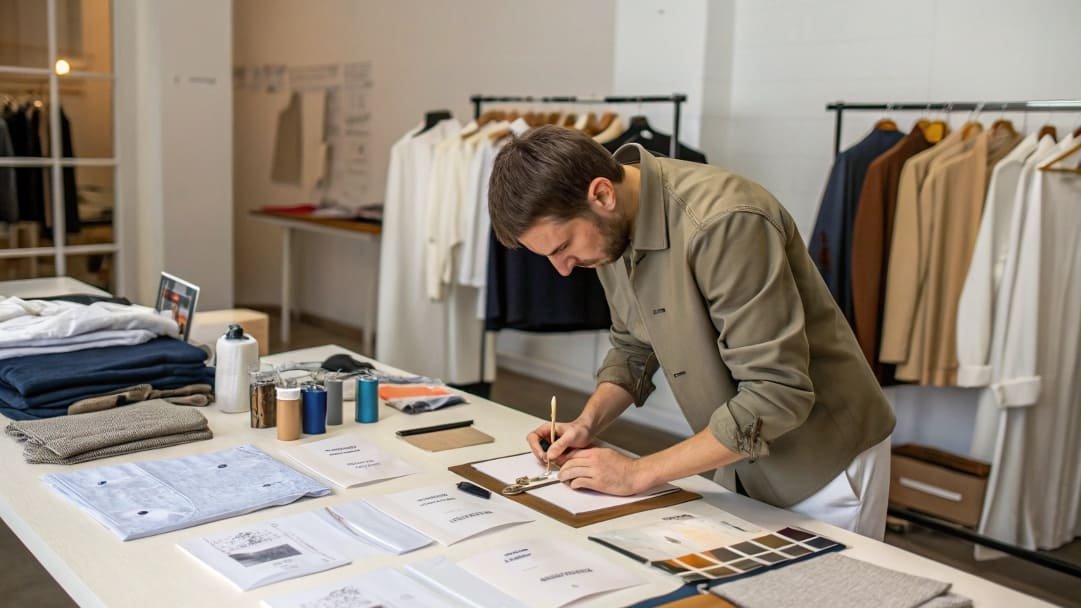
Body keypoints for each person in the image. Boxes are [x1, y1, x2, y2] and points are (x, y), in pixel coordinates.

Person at [487, 125, 896, 539]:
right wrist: (586, 423)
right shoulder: (610, 228)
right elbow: (633, 344)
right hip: (737, 458)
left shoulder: (724, 222)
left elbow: (777, 393)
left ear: (602, 195)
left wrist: (636, 473)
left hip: (823, 461)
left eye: (562, 247)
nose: (562, 269)